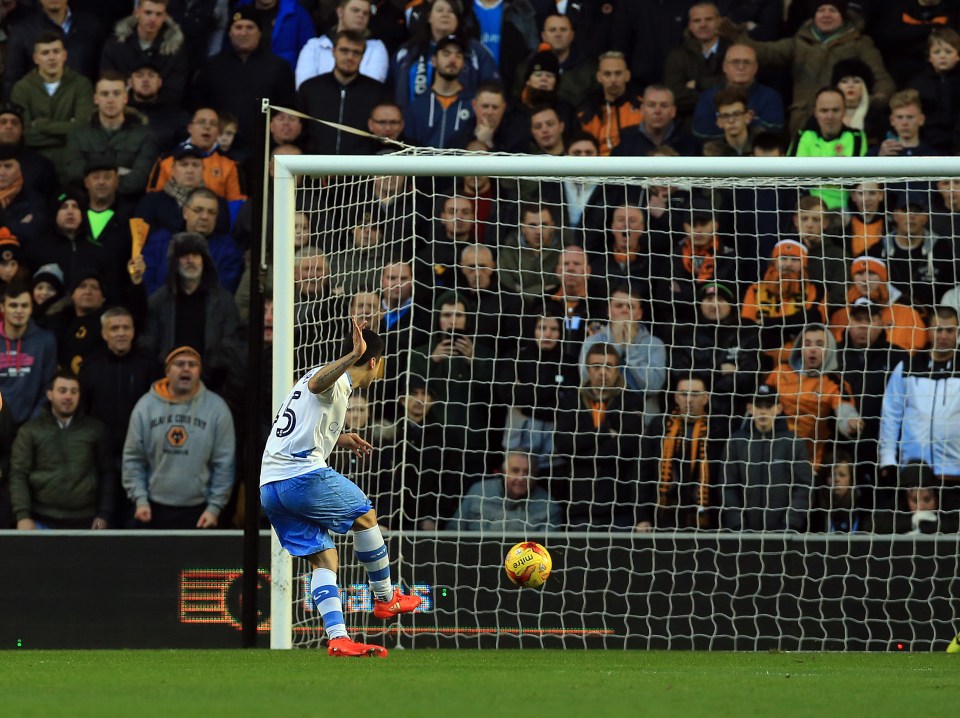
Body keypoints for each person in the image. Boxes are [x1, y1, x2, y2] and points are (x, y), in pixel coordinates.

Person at [260, 319, 423, 658]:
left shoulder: (311, 376)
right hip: (300, 477)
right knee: (365, 515)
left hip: (270, 486)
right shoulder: (336, 380)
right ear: (375, 363)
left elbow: (300, 418)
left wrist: (338, 437)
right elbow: (322, 384)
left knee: (325, 559)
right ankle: (385, 597)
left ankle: (338, 637)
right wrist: (354, 355)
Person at [721, 0, 896, 134]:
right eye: (821, 10)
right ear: (814, 15)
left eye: (832, 10)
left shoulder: (860, 44)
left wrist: (876, 99)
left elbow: (881, 77)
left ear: (842, 15)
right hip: (802, 121)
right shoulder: (800, 41)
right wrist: (738, 37)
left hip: (842, 121)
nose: (826, 15)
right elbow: (767, 52)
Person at [123, 345, 235, 529]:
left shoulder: (217, 408)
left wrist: (214, 508)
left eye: (192, 364)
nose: (186, 369)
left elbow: (225, 462)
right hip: (152, 508)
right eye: (179, 364)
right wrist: (140, 500)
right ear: (167, 371)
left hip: (200, 511)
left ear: (199, 371)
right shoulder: (145, 406)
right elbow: (132, 458)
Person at [79, 306, 159, 528]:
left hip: (144, 457)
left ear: (134, 332)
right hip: (100, 458)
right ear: (104, 334)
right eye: (114, 328)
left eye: (126, 327)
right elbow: (83, 412)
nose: (121, 333)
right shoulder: (90, 367)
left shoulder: (150, 365)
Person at [879, 306, 960, 524]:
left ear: (958, 333)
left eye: (949, 331)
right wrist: (887, 458)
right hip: (913, 471)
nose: (943, 336)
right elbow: (891, 413)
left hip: (954, 470)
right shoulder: (908, 366)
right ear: (928, 330)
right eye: (938, 329)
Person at [9, 370, 114, 530]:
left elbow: (107, 473)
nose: (68, 397)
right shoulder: (30, 431)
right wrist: (23, 516)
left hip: (87, 521)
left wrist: (103, 515)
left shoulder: (95, 429)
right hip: (41, 521)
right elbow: (18, 474)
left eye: (74, 391)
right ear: (50, 394)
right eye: (62, 390)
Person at [554, 342, 644, 530]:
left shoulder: (630, 401)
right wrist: (604, 434)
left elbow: (626, 447)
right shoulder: (572, 400)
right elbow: (564, 445)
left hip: (620, 505)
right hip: (580, 504)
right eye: (596, 366)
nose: (602, 372)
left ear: (618, 370)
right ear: (587, 369)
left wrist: (584, 449)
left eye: (608, 366)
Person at [188, 7, 296, 152]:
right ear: (230, 32)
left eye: (250, 27)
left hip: (263, 149)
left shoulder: (279, 67)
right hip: (218, 149)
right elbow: (199, 106)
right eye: (238, 27)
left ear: (260, 32)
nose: (243, 33)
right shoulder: (211, 66)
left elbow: (286, 110)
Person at [765, 323, 863, 469]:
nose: (812, 349)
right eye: (807, 343)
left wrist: (850, 423)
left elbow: (844, 409)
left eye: (819, 344)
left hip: (809, 462)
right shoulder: (780, 372)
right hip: (771, 454)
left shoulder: (834, 382)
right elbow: (759, 405)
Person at [721, 385, 813, 532]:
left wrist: (790, 524)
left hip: (785, 533)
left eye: (769, 406)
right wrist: (737, 525)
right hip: (742, 534)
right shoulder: (736, 442)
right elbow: (727, 486)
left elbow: (803, 486)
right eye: (758, 405)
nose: (763, 411)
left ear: (779, 408)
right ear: (750, 408)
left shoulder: (793, 442)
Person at [638, 373, 724, 531]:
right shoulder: (659, 426)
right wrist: (642, 518)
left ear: (706, 398)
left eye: (695, 394)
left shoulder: (718, 430)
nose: (689, 399)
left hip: (705, 519)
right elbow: (644, 471)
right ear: (676, 397)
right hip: (663, 517)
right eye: (684, 394)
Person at [578, 283, 667, 423]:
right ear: (609, 311)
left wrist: (630, 348)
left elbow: (654, 387)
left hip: (644, 422)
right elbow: (586, 380)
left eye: (630, 306)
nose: (624, 310)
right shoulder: (592, 342)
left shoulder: (655, 344)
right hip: (601, 419)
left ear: (639, 314)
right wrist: (617, 347)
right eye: (619, 306)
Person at [62, 72, 158, 198]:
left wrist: (97, 179)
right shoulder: (78, 135)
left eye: (116, 93)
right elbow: (74, 173)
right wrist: (119, 173)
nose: (110, 100)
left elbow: (140, 178)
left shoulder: (145, 136)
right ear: (96, 99)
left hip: (129, 203)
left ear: (125, 98)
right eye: (105, 94)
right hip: (87, 204)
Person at [10, 31, 94, 174]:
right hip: (34, 165)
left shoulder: (81, 84)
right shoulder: (22, 88)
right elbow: (24, 135)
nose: (51, 58)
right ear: (36, 58)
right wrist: (67, 129)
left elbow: (83, 129)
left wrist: (40, 125)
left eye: (56, 51)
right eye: (45, 53)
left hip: (72, 164)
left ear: (64, 55)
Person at [297, 30, 387, 155]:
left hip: (361, 169)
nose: (350, 57)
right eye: (344, 50)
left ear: (362, 57)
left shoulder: (377, 91)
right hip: (315, 167)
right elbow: (300, 130)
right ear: (333, 52)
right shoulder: (310, 88)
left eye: (356, 52)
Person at [100, 0, 188, 106]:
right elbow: (108, 85)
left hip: (162, 114)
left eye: (158, 14)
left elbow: (174, 92)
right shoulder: (114, 46)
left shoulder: (174, 51)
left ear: (165, 17)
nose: (153, 19)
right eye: (148, 13)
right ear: (137, 13)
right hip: (123, 112)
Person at [448, 451, 560, 532]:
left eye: (527, 472)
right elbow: (453, 531)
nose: (521, 478)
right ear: (504, 472)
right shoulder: (478, 491)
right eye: (515, 471)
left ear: (535, 475)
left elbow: (546, 552)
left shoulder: (549, 507)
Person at [691, 43, 783, 140]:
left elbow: (773, 130)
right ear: (725, 67)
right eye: (735, 62)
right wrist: (747, 121)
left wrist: (725, 120)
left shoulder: (770, 96)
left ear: (755, 68)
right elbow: (700, 131)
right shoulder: (708, 96)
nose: (741, 67)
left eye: (747, 62)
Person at [0, 282, 58, 427]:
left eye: (24, 306)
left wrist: (32, 424)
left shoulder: (46, 340)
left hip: (33, 425)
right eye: (13, 305)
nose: (19, 311)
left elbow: (48, 386)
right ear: (2, 308)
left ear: (31, 308)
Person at [295, 0, 390, 88]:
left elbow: (371, 89)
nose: (361, 15)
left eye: (365, 13)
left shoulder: (377, 48)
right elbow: (305, 88)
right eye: (355, 10)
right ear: (340, 12)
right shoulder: (314, 46)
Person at [403, 34, 476, 149]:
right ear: (434, 60)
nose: (453, 60)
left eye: (458, 55)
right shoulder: (418, 105)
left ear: (463, 63)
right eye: (446, 54)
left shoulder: (473, 104)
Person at [663, 2, 730, 118]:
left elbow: (736, 85)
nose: (703, 25)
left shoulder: (733, 51)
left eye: (708, 19)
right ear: (690, 25)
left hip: (730, 119)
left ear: (719, 21)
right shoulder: (677, 56)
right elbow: (674, 95)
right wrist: (717, 96)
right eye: (697, 21)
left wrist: (698, 84)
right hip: (690, 123)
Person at [576, 51, 642, 156]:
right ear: (599, 77)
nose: (613, 79)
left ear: (627, 75)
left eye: (618, 73)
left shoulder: (642, 108)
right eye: (607, 74)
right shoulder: (586, 113)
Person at [613, 85, 701, 157]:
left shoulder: (690, 144)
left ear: (673, 111)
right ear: (642, 110)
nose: (657, 111)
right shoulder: (625, 140)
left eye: (664, 105)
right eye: (651, 105)